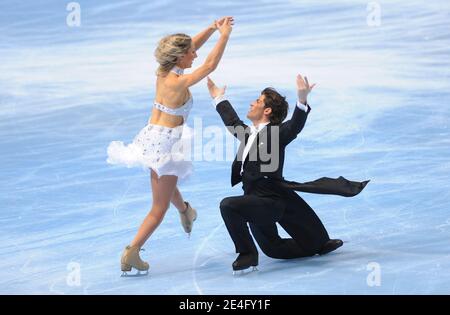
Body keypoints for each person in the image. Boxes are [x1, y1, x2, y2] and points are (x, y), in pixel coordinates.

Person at [106, 17, 234, 275]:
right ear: (179, 57)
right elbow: (210, 64)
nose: (195, 55)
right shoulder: (178, 82)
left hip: (152, 136)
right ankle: (132, 252)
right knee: (158, 208)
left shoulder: (165, 71)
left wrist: (210, 28)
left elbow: (188, 48)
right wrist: (224, 36)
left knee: (166, 184)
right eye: (190, 53)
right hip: (166, 145)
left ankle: (186, 211)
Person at [206, 75, 369, 272]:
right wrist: (218, 97)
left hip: (271, 200)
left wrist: (301, 101)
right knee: (274, 250)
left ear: (267, 110)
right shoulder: (247, 134)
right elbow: (231, 120)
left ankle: (247, 253)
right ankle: (314, 246)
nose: (251, 103)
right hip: (254, 201)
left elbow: (294, 126)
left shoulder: (276, 133)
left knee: (228, 205)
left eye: (257, 101)